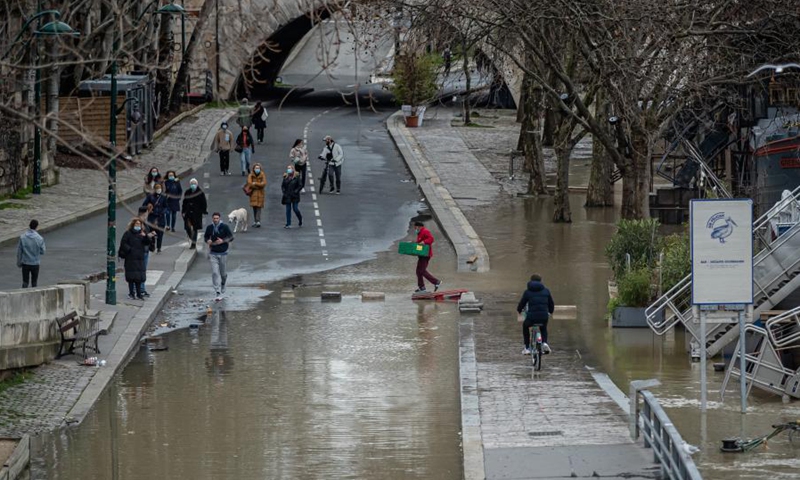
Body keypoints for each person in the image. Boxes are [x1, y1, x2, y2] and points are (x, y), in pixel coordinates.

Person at [516, 274, 555, 355]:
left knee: (525, 327)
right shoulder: (546, 291)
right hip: (543, 316)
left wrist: (519, 310)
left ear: (531, 281)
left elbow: (522, 303)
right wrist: (550, 312)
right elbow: (551, 304)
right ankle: (544, 342)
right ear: (541, 281)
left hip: (531, 317)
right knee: (543, 328)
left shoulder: (527, 292)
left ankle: (527, 348)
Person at [118, 217, 151, 300]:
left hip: (139, 258)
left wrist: (146, 236)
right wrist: (130, 250)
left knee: (139, 278)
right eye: (136, 224)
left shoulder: (142, 234)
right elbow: (123, 243)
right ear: (133, 225)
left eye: (139, 224)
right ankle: (131, 293)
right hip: (131, 258)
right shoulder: (128, 233)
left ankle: (139, 294)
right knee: (131, 277)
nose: (138, 225)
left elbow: (147, 243)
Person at [204, 213, 234, 301]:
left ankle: (223, 283)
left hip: (223, 253)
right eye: (214, 218)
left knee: (223, 274)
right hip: (213, 253)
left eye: (217, 218)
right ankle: (217, 291)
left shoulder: (224, 227)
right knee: (215, 273)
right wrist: (208, 241)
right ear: (212, 219)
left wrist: (223, 241)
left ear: (219, 219)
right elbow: (206, 237)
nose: (215, 220)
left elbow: (231, 237)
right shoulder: (210, 227)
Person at [412, 221, 441, 293]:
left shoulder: (425, 231)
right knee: (418, 271)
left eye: (415, 227)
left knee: (421, 271)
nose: (415, 229)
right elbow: (419, 243)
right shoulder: (419, 233)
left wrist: (424, 242)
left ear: (419, 226)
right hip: (421, 255)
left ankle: (436, 282)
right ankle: (422, 287)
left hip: (426, 254)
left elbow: (431, 239)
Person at [16, 219, 45, 288]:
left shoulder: (22, 237)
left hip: (25, 262)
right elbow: (43, 251)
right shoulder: (40, 238)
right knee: (34, 283)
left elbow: (19, 251)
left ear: (29, 226)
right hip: (35, 263)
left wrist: (19, 262)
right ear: (37, 227)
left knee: (25, 282)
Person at [182, 178, 207, 249]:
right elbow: (184, 202)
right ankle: (191, 237)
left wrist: (203, 210)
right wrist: (183, 211)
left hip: (196, 213)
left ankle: (193, 244)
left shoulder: (200, 192)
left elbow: (203, 202)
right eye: (192, 183)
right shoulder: (187, 192)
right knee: (187, 227)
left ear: (197, 184)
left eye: (194, 183)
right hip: (188, 213)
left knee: (195, 228)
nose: (193, 185)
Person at [142, 182, 168, 253]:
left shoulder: (163, 197)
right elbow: (144, 204)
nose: (158, 189)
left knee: (160, 233)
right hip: (152, 217)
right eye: (157, 188)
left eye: (159, 188)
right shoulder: (150, 196)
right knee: (152, 232)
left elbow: (166, 207)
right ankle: (152, 244)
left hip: (161, 218)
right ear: (154, 189)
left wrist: (163, 212)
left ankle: (159, 247)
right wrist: (149, 208)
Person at [246, 163, 267, 227]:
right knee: (254, 207)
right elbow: (249, 183)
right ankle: (255, 221)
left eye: (258, 168)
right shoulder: (250, 175)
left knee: (258, 207)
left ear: (260, 169)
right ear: (253, 169)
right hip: (253, 194)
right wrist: (259, 185)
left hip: (260, 194)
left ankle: (258, 221)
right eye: (256, 168)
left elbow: (264, 184)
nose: (257, 169)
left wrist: (255, 183)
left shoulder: (262, 175)